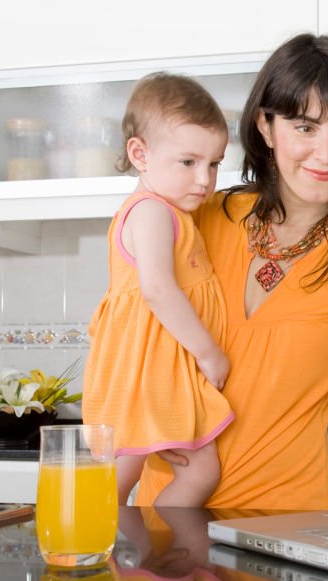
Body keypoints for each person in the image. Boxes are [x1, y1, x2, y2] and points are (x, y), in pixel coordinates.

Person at [135, 34, 328, 510]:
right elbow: (131, 322)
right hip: (164, 518)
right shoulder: (201, 217)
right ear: (266, 126)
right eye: (305, 128)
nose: (327, 154)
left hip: (288, 524)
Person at [83, 72, 233, 508]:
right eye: (188, 162)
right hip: (143, 376)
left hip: (160, 373)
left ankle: (147, 560)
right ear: (139, 154)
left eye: (214, 163)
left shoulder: (174, 212)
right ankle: (132, 556)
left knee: (173, 474)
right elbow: (157, 289)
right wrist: (209, 353)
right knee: (125, 482)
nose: (204, 179)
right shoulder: (150, 212)